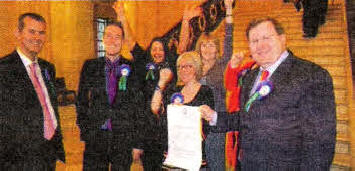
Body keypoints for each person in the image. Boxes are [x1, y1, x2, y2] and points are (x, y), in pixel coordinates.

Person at [210, 17, 336, 170]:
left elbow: (320, 144)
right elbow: (247, 118)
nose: (260, 45)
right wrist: (214, 117)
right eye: (254, 41)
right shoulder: (250, 77)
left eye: (266, 38)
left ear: (283, 39)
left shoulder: (311, 75)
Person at [112, 3, 200, 170]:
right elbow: (131, 43)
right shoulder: (144, 64)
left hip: (169, 124)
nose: (157, 52)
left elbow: (182, 46)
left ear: (165, 51)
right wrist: (122, 16)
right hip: (148, 125)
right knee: (151, 164)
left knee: (170, 164)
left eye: (160, 49)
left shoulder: (172, 64)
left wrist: (186, 20)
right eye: (154, 49)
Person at [76, 21, 146, 170]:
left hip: (123, 138)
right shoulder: (90, 66)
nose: (113, 40)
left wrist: (137, 143)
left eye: (117, 37)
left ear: (123, 41)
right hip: (96, 136)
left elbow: (139, 107)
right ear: (103, 39)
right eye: (109, 36)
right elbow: (81, 100)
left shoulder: (132, 68)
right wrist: (86, 131)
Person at [0, 13, 65, 170]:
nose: (37, 37)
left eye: (41, 33)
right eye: (32, 31)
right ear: (18, 33)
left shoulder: (47, 68)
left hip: (48, 151)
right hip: (20, 157)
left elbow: (49, 105)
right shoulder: (4, 69)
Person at [151, 51, 215, 169]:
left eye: (188, 66)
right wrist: (161, 82)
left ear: (196, 68)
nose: (183, 70)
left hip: (194, 156)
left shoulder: (205, 91)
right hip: (172, 154)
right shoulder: (173, 90)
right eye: (180, 67)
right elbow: (155, 108)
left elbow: (207, 125)